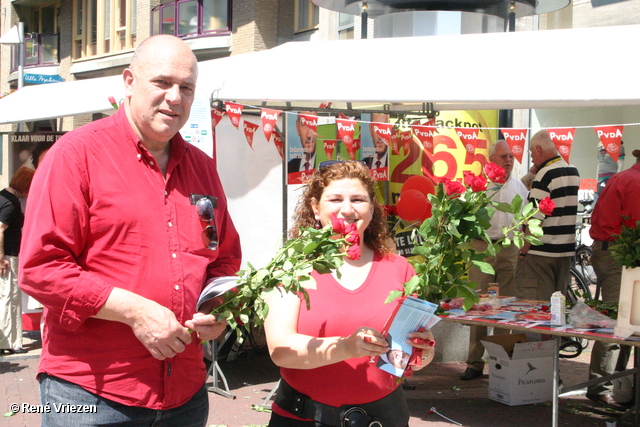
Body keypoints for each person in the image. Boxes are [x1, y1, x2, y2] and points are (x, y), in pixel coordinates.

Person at [18, 35, 242, 426]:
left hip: (185, 394)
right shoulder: (75, 156)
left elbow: (223, 261)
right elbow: (41, 268)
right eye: (162, 82)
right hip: (91, 393)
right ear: (129, 81)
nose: (175, 97)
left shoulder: (203, 168)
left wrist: (215, 309)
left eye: (186, 88)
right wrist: (134, 311)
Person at [264, 161, 435, 427]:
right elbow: (281, 350)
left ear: (371, 208)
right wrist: (345, 347)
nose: (347, 208)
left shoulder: (400, 269)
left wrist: (423, 351)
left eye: (358, 199)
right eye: (335, 199)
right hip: (305, 418)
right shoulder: (290, 268)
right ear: (315, 208)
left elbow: (414, 357)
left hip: (385, 417)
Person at [460, 140, 529, 381]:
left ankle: (501, 362)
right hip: (481, 247)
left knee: (506, 306)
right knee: (479, 305)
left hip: (509, 249)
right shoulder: (480, 187)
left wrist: (524, 244)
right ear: (491, 160)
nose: (508, 160)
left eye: (511, 156)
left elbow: (527, 219)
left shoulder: (520, 187)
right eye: (503, 156)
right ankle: (474, 363)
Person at [585, 149, 640, 411]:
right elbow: (634, 224)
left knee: (627, 322)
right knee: (620, 320)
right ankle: (601, 386)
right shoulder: (634, 181)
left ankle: (615, 384)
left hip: (614, 251)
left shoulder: (625, 178)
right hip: (617, 253)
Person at [515, 129, 580, 301]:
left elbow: (535, 218)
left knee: (534, 306)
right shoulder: (572, 171)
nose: (531, 157)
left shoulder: (546, 174)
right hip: (565, 251)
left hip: (541, 253)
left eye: (531, 152)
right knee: (558, 307)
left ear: (538, 149)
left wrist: (523, 251)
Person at [0, 166, 34, 355]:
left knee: (9, 297)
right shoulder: (11, 203)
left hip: (8, 255)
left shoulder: (4, 196)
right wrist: (1, 259)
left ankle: (12, 341)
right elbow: (0, 229)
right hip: (8, 256)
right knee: (9, 297)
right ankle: (7, 342)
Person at [594, 140, 625, 206]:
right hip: (600, 177)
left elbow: (620, 164)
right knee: (597, 198)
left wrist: (617, 179)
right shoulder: (600, 144)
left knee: (610, 201)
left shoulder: (618, 146)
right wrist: (596, 179)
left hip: (611, 176)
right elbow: (600, 163)